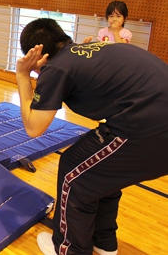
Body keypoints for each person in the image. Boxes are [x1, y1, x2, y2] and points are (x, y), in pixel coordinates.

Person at [16, 18, 168, 255]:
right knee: (100, 172)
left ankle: (69, 249)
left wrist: (23, 75)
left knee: (72, 170)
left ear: (36, 55)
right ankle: (103, 242)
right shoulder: (89, 48)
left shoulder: (56, 67)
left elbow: (33, 127)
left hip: (147, 127)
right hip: (152, 121)